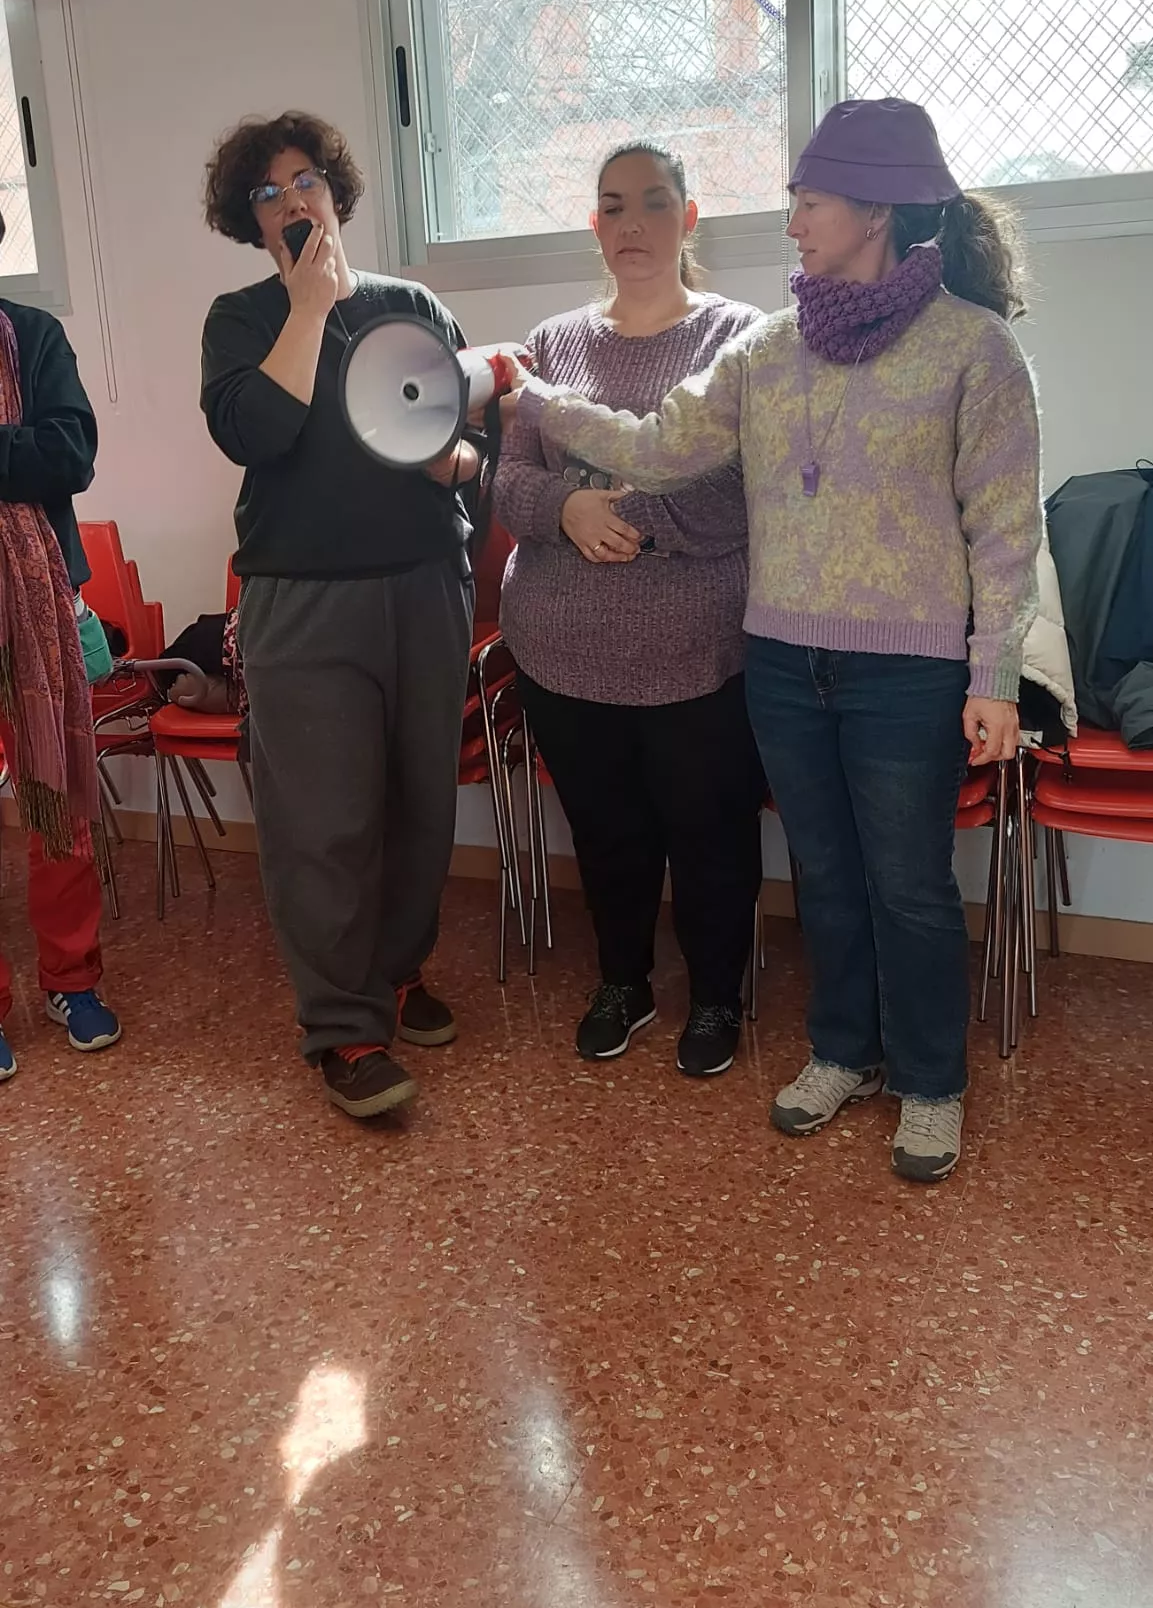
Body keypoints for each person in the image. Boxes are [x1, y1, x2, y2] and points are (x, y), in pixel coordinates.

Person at [495, 100, 1041, 1181]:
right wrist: (541, 398)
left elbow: (1005, 528)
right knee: (827, 872)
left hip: (908, 667)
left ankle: (930, 1080)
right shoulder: (770, 346)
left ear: (876, 208)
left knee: (909, 883)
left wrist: (994, 676)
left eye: (809, 199)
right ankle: (843, 1049)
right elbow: (658, 444)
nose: (790, 218)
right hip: (783, 657)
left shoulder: (973, 350)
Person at [200, 114, 477, 1121]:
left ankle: (397, 972)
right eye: (267, 192)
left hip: (424, 584)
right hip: (301, 598)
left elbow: (463, 451)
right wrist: (308, 307)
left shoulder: (415, 306)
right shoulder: (240, 320)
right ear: (250, 220)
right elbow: (257, 430)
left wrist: (465, 465)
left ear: (337, 189)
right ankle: (342, 1024)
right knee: (321, 818)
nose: (291, 199)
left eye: (305, 178)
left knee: (418, 802)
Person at [495, 143, 766, 1075]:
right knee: (606, 834)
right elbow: (509, 479)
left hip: (696, 648)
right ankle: (623, 980)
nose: (633, 224)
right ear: (595, 225)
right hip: (561, 649)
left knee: (709, 832)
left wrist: (637, 520)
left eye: (654, 203)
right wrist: (562, 510)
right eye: (614, 207)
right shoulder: (553, 340)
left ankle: (718, 997)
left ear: (689, 218)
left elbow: (747, 495)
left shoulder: (740, 336)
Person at [0, 210, 122, 1081]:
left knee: (59, 810)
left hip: (38, 609)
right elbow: (33, 454)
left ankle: (71, 980)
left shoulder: (33, 336)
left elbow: (68, 453)